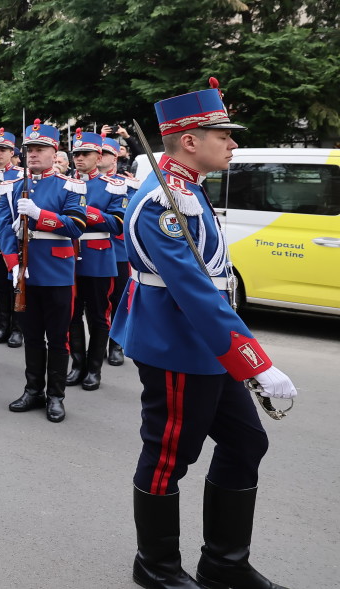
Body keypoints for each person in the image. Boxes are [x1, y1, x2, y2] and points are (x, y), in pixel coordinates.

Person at [110, 80, 296, 589]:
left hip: (207, 348)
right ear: (190, 139)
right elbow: (194, 292)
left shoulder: (187, 190)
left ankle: (223, 563)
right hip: (179, 346)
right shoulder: (166, 204)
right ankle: (157, 568)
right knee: (169, 456)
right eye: (224, 134)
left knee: (245, 444)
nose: (233, 143)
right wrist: (256, 362)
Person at [0, 120, 87, 423]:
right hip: (24, 273)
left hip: (58, 272)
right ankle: (33, 390)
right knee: (32, 336)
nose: (34, 154)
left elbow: (76, 226)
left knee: (58, 338)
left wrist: (40, 216)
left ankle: (56, 396)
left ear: (54, 151)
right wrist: (13, 263)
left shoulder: (71, 185)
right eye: (30, 149)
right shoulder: (10, 188)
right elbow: (3, 229)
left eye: (40, 148)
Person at [66, 130, 128, 391]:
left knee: (98, 316)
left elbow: (117, 223)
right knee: (71, 314)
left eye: (85, 154)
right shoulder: (64, 183)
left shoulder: (113, 186)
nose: (79, 158)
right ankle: (77, 364)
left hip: (98, 255)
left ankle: (94, 369)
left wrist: (86, 212)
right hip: (67, 256)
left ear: (98, 156)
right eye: (76, 154)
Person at [0, 129, 24, 348]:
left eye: (3, 150)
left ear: (12, 152)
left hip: (11, 236)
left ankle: (18, 329)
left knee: (15, 284)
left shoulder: (19, 175)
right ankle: (3, 326)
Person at [99, 137, 134, 367]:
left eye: (104, 153)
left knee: (119, 301)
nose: (98, 156)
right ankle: (99, 344)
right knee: (98, 304)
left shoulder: (128, 184)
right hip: (94, 251)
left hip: (119, 251)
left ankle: (116, 344)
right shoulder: (80, 183)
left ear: (115, 157)